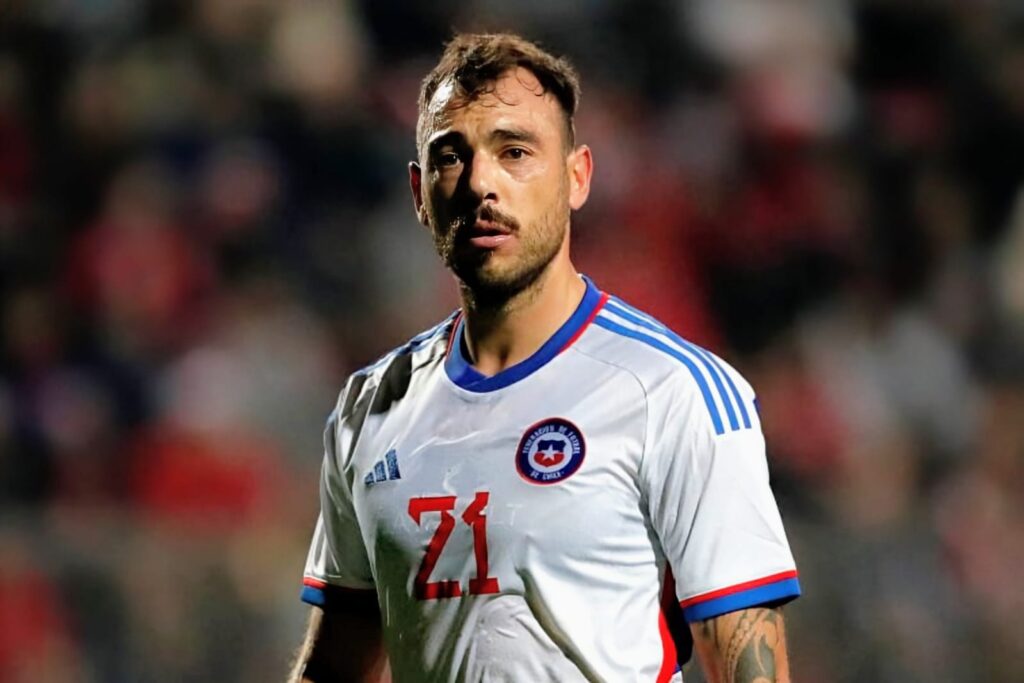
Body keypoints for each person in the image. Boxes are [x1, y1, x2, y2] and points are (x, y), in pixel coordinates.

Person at [289, 32, 800, 683]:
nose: (481, 183)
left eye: (515, 152)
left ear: (577, 176)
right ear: (420, 193)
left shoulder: (674, 392)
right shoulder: (371, 406)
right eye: (452, 156)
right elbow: (335, 664)